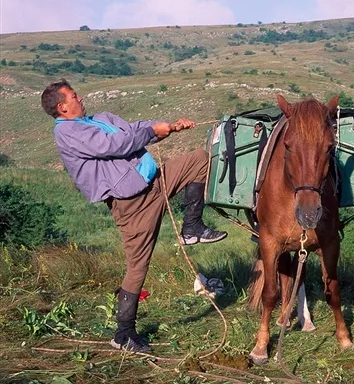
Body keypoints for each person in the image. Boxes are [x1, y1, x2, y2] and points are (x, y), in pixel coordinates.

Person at [41, 79, 227, 353]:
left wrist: (168, 127)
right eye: (73, 95)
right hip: (131, 204)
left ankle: (192, 227)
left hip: (153, 184)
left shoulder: (98, 119)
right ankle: (124, 333)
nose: (80, 97)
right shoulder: (67, 132)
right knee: (138, 267)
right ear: (62, 107)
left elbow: (131, 129)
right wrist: (152, 131)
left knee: (199, 159)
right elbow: (113, 145)